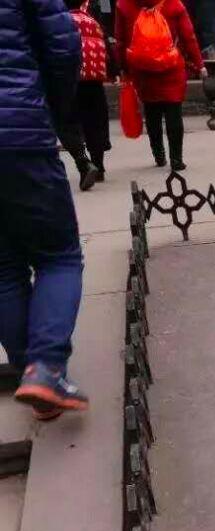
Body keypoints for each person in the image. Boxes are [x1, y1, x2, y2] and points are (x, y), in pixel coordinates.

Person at [0, 0, 90, 418]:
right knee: (59, 257)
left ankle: (34, 379)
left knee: (4, 269)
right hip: (18, 130)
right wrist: (48, 109)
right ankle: (46, 368)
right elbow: (62, 45)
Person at [115, 0, 206, 172]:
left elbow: (120, 40)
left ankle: (159, 155)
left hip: (142, 69)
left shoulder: (124, 5)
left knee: (151, 112)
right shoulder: (174, 4)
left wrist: (122, 68)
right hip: (171, 67)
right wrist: (199, 64)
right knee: (174, 112)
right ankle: (176, 159)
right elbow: (188, 36)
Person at [58, 0, 112, 191]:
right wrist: (113, 70)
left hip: (71, 79)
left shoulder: (60, 21)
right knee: (95, 121)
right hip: (94, 79)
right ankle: (99, 166)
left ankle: (83, 161)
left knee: (68, 121)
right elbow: (105, 45)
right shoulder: (91, 19)